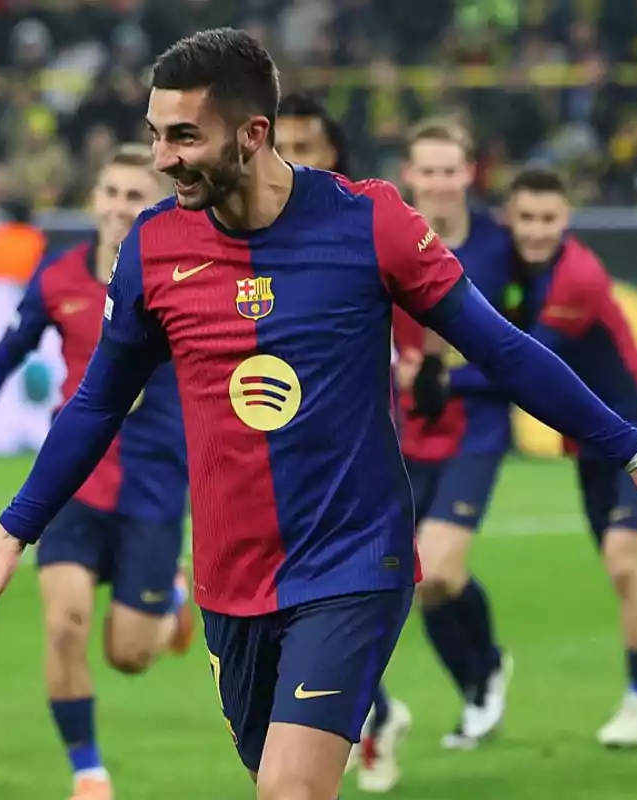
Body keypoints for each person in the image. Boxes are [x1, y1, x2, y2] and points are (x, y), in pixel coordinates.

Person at [0, 29, 637, 800]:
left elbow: (501, 348)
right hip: (230, 579)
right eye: (155, 134)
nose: (161, 158)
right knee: (277, 781)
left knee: (290, 788)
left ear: (252, 133)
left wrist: (634, 453)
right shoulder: (155, 248)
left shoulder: (370, 222)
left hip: (353, 562)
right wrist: (16, 528)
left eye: (183, 136)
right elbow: (99, 399)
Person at [0, 144, 194, 800]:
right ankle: (88, 771)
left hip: (155, 489)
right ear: (93, 200)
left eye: (135, 195)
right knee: (63, 622)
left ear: (155, 204)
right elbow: (0, 359)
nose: (120, 206)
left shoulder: (182, 280)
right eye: (111, 192)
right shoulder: (59, 279)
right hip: (74, 485)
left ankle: (174, 600)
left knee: (129, 655)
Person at [447, 166, 637, 748]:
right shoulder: (515, 270)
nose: (538, 231)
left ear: (567, 220)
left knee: (624, 564)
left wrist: (442, 381)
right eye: (527, 219)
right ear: (509, 220)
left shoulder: (577, 278)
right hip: (597, 447)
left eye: (549, 219)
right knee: (629, 576)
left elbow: (524, 364)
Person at [274, 90, 409, 794]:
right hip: (263, 499)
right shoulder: (231, 241)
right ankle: (375, 712)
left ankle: (376, 719)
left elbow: (452, 322)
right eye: (282, 145)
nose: (292, 160)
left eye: (308, 147)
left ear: (334, 156)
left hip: (354, 481)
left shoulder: (364, 228)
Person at [393, 118, 514, 749]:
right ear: (410, 175)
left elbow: (527, 332)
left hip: (476, 427)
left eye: (450, 170)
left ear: (470, 173)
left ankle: (487, 666)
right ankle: (478, 685)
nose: (439, 183)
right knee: (418, 579)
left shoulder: (501, 244)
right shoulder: (385, 237)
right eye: (428, 171)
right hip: (405, 430)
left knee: (437, 567)